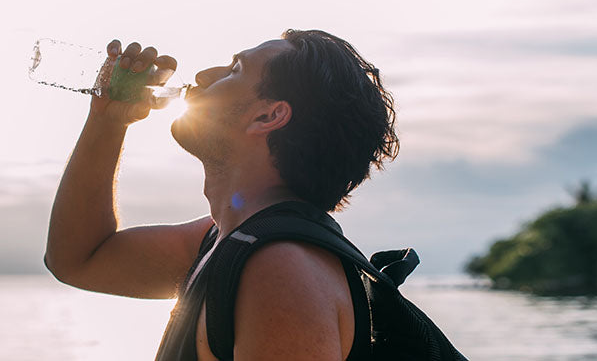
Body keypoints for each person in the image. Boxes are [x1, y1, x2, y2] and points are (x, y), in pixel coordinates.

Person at [44, 29, 399, 360]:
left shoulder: (282, 270)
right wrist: (108, 121)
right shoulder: (222, 239)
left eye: (235, 69)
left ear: (267, 115)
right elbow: (79, 259)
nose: (203, 76)